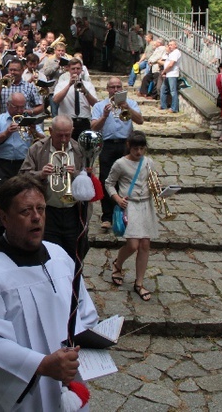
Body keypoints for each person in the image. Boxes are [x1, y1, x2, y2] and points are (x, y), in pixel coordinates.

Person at [0, 174, 99, 411]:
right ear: (4, 217)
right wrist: (40, 365)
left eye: (41, 209)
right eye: (25, 211)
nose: (36, 218)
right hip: (19, 394)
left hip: (66, 381)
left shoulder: (59, 257)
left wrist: (88, 341)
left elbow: (84, 309)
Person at [19, 116, 88, 262]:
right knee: (48, 254)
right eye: (59, 135)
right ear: (50, 131)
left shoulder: (80, 149)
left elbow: (90, 178)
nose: (63, 140)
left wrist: (76, 173)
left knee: (74, 254)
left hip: (73, 211)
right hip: (47, 211)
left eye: (67, 135)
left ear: (72, 131)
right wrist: (40, 174)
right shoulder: (37, 148)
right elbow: (22, 176)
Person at [106, 131, 159, 302]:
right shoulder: (120, 164)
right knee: (133, 244)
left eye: (142, 149)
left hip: (146, 204)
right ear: (129, 146)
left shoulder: (149, 162)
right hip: (130, 205)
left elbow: (153, 181)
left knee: (145, 244)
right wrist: (117, 199)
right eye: (136, 149)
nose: (139, 152)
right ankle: (118, 264)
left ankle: (139, 282)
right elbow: (109, 183)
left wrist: (158, 189)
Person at [90, 77, 143, 230]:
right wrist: (104, 116)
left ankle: (126, 214)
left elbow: (140, 121)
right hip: (107, 145)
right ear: (107, 89)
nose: (115, 90)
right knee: (107, 179)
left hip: (126, 145)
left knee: (127, 179)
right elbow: (93, 127)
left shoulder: (131, 103)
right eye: (112, 87)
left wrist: (128, 108)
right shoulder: (100, 105)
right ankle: (107, 216)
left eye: (118, 87)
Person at [0, 92, 43, 184]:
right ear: (8, 105)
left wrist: (34, 131)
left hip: (25, 164)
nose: (20, 110)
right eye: (16, 107)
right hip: (3, 164)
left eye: (22, 107)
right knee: (3, 194)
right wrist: (6, 133)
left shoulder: (29, 120)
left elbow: (44, 141)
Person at [52, 58, 98, 140]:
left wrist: (85, 91)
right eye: (73, 69)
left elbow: (95, 104)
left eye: (78, 68)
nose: (76, 71)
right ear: (69, 69)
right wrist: (69, 85)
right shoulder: (62, 84)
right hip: (67, 121)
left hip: (84, 121)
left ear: (81, 70)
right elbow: (55, 100)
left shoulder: (88, 85)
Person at [159, 40, 182, 113]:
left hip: (172, 74)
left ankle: (174, 108)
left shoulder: (176, 52)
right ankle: (163, 105)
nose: (170, 46)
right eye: (169, 45)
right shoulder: (171, 53)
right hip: (168, 74)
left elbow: (171, 64)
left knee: (173, 91)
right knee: (163, 89)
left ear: (175, 45)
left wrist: (164, 71)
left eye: (171, 45)